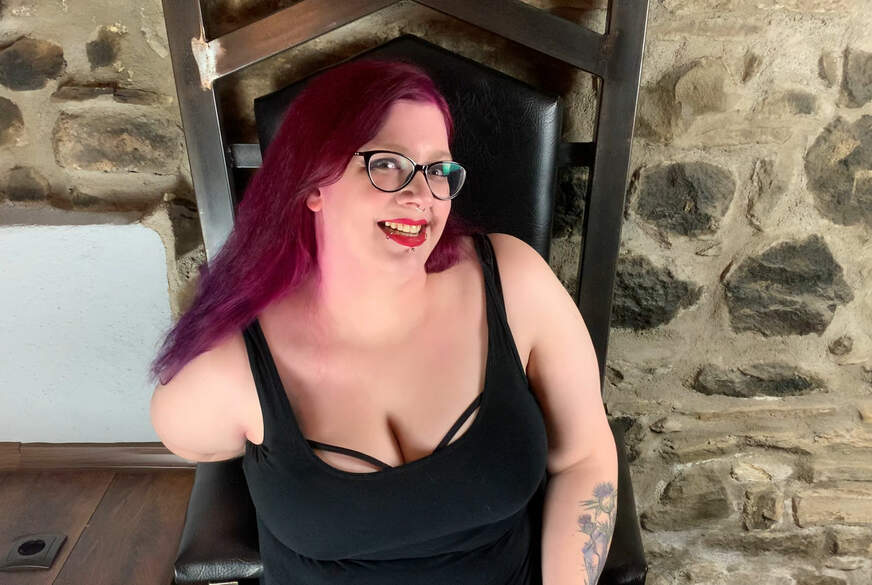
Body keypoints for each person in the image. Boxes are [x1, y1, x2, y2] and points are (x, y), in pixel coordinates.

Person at [149, 59, 617, 585]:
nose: (421, 196)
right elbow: (189, 436)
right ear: (313, 183)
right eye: (388, 163)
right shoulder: (234, 366)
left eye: (438, 170)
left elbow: (584, 457)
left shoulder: (514, 282)